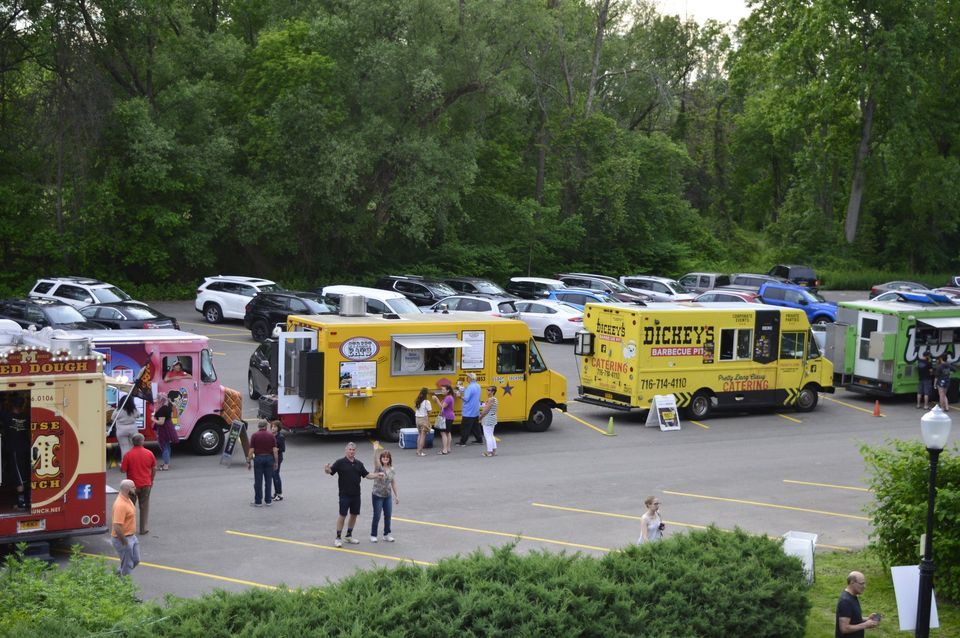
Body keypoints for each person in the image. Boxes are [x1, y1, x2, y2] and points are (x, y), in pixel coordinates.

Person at [324, 442, 382, 546]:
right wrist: (327, 469)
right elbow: (330, 471)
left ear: (355, 451)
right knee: (342, 515)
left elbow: (367, 475)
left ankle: (348, 536)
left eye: (353, 450)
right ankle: (338, 538)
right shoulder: (340, 462)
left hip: (356, 495)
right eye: (350, 449)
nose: (351, 451)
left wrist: (377, 475)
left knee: (354, 515)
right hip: (344, 494)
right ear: (346, 450)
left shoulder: (359, 464)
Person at [120, 433, 156, 535]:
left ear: (132, 442)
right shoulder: (149, 453)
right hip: (146, 483)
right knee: (144, 506)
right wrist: (151, 480)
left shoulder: (128, 455)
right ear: (142, 441)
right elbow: (154, 468)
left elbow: (123, 470)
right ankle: (143, 529)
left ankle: (129, 529)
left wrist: (121, 466)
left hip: (132, 486)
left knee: (130, 507)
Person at [1, 394, 31, 509]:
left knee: (18, 476)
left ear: (11, 404)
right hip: (26, 449)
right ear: (22, 405)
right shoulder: (26, 417)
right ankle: (27, 500)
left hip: (14, 450)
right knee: (25, 474)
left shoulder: (6, 415)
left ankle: (21, 502)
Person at [370, 443, 399, 543]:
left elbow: (393, 482)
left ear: (389, 459)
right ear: (381, 458)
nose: (385, 458)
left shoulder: (392, 469)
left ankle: (386, 534)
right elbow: (375, 460)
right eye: (383, 457)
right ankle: (373, 535)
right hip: (377, 495)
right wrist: (375, 450)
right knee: (377, 515)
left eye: (387, 457)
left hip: (387, 496)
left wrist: (396, 496)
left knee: (388, 515)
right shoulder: (379, 467)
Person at [835, 571, 879, 636]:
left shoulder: (853, 596)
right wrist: (865, 625)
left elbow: (852, 619)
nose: (864, 586)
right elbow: (844, 628)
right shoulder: (845, 601)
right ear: (852, 583)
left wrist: (867, 619)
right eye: (862, 584)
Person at [111, 479, 140, 577]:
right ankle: (125, 587)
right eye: (133, 487)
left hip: (132, 537)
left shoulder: (128, 498)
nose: (135, 488)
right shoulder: (120, 505)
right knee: (128, 565)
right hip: (123, 538)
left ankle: (117, 575)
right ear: (128, 489)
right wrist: (124, 542)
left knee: (136, 560)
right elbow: (117, 526)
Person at [247, 419, 278, 507]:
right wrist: (276, 462)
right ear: (266, 426)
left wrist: (248, 461)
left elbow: (251, 450)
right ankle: (268, 500)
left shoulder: (254, 435)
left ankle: (258, 501)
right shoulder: (271, 436)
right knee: (268, 481)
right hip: (269, 459)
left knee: (258, 481)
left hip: (258, 459)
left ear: (258, 426)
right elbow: (275, 450)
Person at [457, 372, 484, 446]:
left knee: (465, 427)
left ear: (470, 379)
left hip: (468, 411)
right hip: (475, 409)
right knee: (476, 426)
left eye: (467, 377)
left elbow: (466, 399)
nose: (466, 378)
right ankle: (479, 440)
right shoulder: (478, 386)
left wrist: (459, 396)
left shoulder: (470, 387)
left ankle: (463, 442)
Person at [153, 395, 178, 471]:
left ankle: (166, 465)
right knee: (167, 446)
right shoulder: (168, 407)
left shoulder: (162, 410)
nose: (156, 401)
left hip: (163, 430)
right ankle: (167, 463)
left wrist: (153, 419)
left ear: (161, 400)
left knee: (164, 446)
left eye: (157, 399)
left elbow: (161, 422)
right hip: (168, 428)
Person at [114, 396, 140, 460]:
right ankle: (133, 463)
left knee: (124, 448)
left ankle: (125, 464)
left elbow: (112, 418)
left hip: (121, 430)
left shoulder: (118, 410)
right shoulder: (134, 409)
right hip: (133, 429)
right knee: (133, 447)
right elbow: (138, 415)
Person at [432, 384, 455, 455]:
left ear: (448, 390)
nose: (442, 391)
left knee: (443, 433)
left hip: (447, 417)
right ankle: (448, 448)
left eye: (443, 389)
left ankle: (444, 450)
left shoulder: (448, 398)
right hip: (450, 416)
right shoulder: (449, 397)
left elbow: (442, 407)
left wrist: (437, 399)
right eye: (441, 389)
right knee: (448, 432)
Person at [480, 385, 499, 457]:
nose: (487, 391)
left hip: (488, 419)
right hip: (492, 418)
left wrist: (480, 417)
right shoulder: (495, 399)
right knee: (491, 435)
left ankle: (489, 452)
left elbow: (486, 410)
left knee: (488, 436)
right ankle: (494, 451)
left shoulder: (491, 399)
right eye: (487, 389)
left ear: (493, 392)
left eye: (489, 390)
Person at [413, 387, 432, 457]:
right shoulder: (427, 402)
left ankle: (417, 450)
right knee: (423, 436)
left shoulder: (417, 400)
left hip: (417, 419)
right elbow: (429, 411)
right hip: (423, 419)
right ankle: (420, 452)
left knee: (419, 435)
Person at [270, 420, 285, 501]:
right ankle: (276, 493)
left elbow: (283, 449)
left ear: (278, 428)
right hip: (272, 458)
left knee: (276, 475)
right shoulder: (271, 436)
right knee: (273, 475)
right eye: (272, 426)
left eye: (274, 427)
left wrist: (275, 450)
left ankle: (280, 494)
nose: (273, 428)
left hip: (278, 458)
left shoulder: (280, 437)